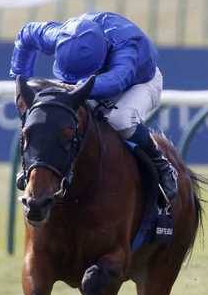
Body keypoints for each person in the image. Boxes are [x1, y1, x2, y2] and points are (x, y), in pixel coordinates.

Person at [9, 11, 177, 203]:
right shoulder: (63, 35)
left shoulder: (126, 47)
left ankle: (160, 164)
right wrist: (20, 82)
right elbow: (26, 35)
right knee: (51, 108)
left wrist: (77, 88)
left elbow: (118, 80)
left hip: (138, 83)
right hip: (87, 81)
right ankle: (36, 167)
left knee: (120, 119)